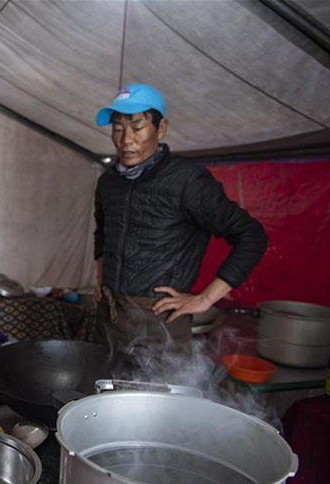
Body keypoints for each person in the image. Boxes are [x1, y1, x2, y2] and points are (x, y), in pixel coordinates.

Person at [92, 84, 267, 352]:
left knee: (158, 394)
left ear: (160, 129)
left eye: (137, 128)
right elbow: (102, 232)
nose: (126, 140)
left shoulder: (187, 180)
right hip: (110, 317)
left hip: (159, 325)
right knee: (106, 390)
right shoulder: (108, 182)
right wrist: (101, 279)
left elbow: (252, 235)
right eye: (117, 128)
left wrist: (207, 298)